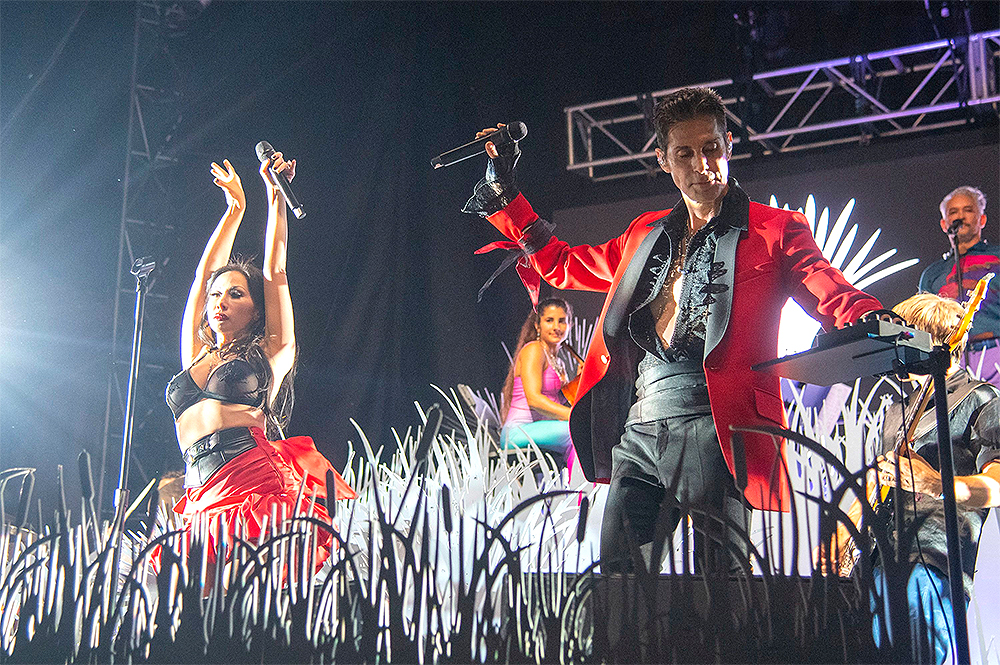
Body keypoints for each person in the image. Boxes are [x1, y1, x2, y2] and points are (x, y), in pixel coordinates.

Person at [462, 87, 885, 573]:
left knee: (721, 592)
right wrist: (507, 194)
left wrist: (877, 321)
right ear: (663, 160)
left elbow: (832, 291)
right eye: (685, 153)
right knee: (620, 585)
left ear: (729, 146)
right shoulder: (644, 233)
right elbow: (561, 265)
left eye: (711, 148)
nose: (701, 163)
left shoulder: (774, 230)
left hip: (717, 427)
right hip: (640, 429)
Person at [164, 154, 355, 566]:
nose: (220, 302)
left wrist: (274, 197)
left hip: (252, 488)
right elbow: (202, 279)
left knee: (249, 607)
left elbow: (275, 272)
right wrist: (234, 209)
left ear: (255, 309)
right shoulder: (196, 355)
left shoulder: (270, 353)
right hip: (199, 497)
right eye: (218, 295)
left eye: (236, 294)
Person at [815, 293, 1000, 664]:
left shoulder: (980, 397)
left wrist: (936, 483)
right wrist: (840, 532)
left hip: (932, 563)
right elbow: (880, 478)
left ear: (928, 340)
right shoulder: (899, 409)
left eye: (902, 334)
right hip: (876, 560)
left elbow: (996, 485)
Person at [918, 186, 1000, 385]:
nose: (960, 216)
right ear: (944, 224)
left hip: (995, 351)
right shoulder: (932, 273)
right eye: (953, 212)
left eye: (968, 210)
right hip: (952, 363)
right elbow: (924, 326)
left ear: (982, 220)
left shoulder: (997, 258)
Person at [499, 298, 576, 469]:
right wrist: (574, 417)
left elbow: (559, 403)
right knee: (577, 433)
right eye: (549, 320)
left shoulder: (559, 363)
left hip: (543, 430)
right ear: (537, 326)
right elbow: (534, 400)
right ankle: (579, 493)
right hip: (519, 431)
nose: (556, 327)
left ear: (569, 326)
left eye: (562, 321)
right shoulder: (533, 349)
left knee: (584, 434)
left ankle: (579, 489)